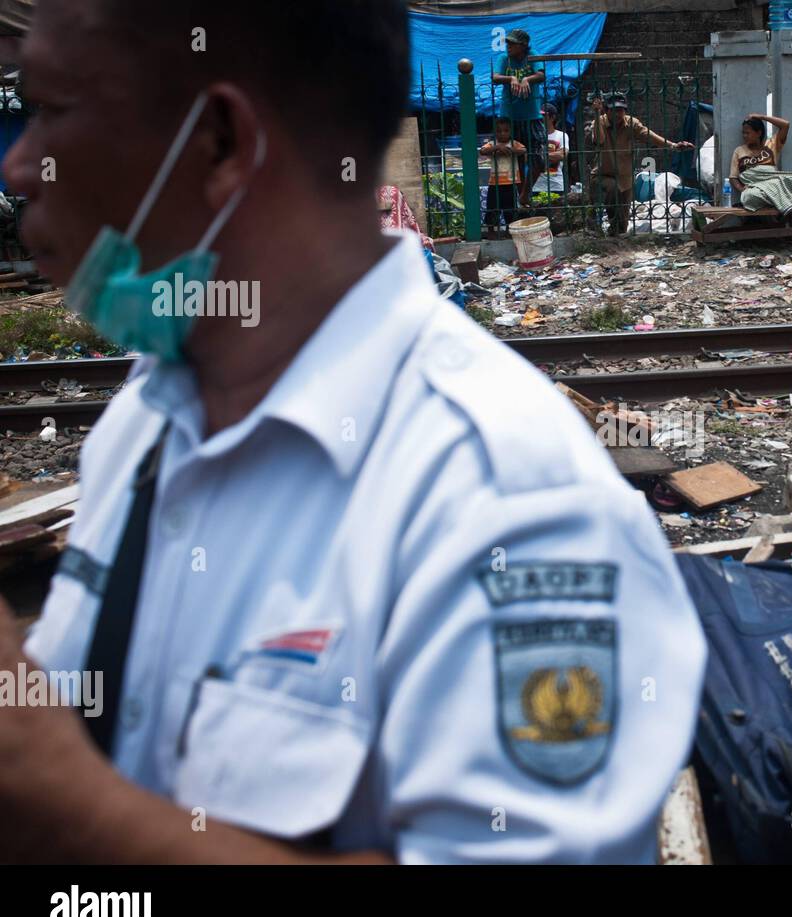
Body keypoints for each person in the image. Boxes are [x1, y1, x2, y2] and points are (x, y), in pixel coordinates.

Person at [0, 0, 706, 864]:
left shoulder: (509, 509)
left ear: (218, 140)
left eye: (51, 109)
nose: (20, 166)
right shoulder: (146, 415)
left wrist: (59, 796)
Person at [589, 92, 693, 237]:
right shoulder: (599, 122)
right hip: (603, 175)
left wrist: (673, 145)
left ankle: (617, 241)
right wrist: (595, 114)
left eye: (621, 110)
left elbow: (649, 135)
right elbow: (599, 141)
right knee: (612, 191)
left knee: (623, 220)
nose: (619, 114)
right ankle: (604, 229)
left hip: (625, 178)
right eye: (614, 110)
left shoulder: (631, 123)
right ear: (606, 111)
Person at [491, 28, 546, 205]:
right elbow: (495, 77)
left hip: (532, 115)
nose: (508, 46)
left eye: (512, 43)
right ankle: (521, 198)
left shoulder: (532, 55)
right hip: (510, 117)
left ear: (523, 46)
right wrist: (511, 79)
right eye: (508, 43)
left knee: (539, 159)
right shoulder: (504, 59)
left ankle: (525, 193)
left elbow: (541, 74)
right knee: (517, 159)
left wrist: (526, 79)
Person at [728, 113, 790, 201]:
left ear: (758, 133)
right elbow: (733, 177)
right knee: (753, 195)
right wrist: (742, 190)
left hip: (772, 188)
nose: (744, 136)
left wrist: (761, 117)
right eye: (743, 133)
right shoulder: (739, 151)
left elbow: (785, 125)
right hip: (754, 192)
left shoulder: (771, 145)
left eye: (748, 133)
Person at [479, 117, 525, 236]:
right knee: (493, 207)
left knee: (510, 208)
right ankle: (491, 231)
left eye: (505, 130)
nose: (502, 133)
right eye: (499, 131)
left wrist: (509, 150)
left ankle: (510, 230)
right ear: (495, 132)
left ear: (510, 132)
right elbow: (482, 151)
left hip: (510, 182)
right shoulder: (492, 144)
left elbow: (523, 150)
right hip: (495, 183)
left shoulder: (514, 143)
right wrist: (498, 147)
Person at [533, 102, 568, 198]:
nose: (541, 118)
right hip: (536, 186)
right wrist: (552, 155)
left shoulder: (561, 135)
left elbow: (562, 155)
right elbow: (528, 157)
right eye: (540, 115)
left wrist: (540, 155)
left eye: (544, 115)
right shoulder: (534, 136)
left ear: (553, 117)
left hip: (556, 185)